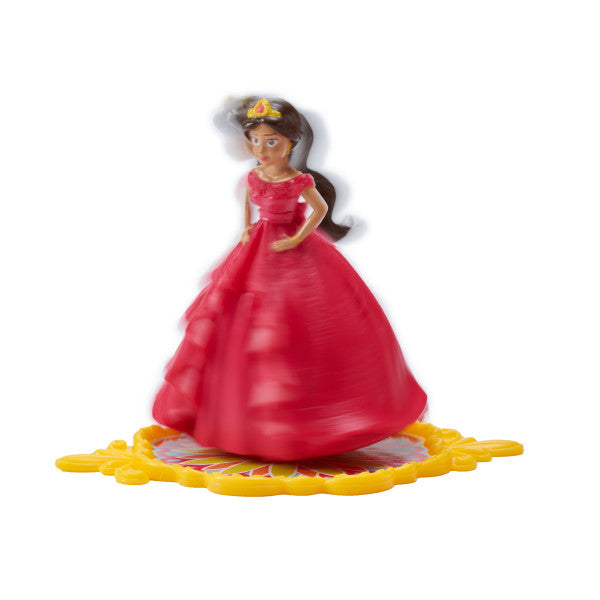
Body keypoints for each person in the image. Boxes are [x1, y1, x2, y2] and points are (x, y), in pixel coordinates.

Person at [152, 97, 427, 461]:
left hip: (293, 246)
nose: (261, 149)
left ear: (290, 143)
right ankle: (237, 419)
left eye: (271, 141)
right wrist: (245, 229)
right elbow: (247, 203)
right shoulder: (254, 176)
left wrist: (298, 238)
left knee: (302, 317)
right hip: (258, 245)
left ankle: (317, 415)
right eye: (255, 141)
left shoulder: (299, 180)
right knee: (241, 316)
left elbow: (319, 209)